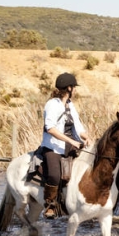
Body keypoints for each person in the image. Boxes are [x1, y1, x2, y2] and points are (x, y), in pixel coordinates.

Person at [40, 72, 90, 219]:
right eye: (74, 87)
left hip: (70, 145)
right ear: (69, 88)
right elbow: (50, 128)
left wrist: (85, 137)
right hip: (53, 146)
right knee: (55, 175)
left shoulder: (70, 105)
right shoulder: (51, 104)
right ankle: (50, 205)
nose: (75, 90)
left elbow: (78, 126)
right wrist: (71, 141)